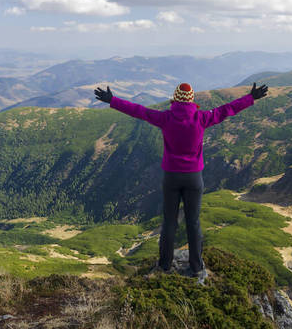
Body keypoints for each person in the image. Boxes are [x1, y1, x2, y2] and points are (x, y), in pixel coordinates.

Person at [94, 82, 268, 284]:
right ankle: (196, 267)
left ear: (175, 99)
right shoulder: (202, 118)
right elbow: (227, 110)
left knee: (169, 222)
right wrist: (251, 97)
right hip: (194, 177)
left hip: (171, 177)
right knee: (193, 223)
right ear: (192, 100)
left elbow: (138, 111)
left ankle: (165, 265)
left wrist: (112, 100)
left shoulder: (165, 118)